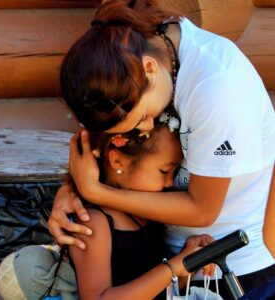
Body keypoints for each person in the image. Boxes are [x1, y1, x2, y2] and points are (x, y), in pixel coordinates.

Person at [48, 0, 275, 296]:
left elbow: (203, 209)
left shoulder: (217, 86)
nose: (143, 128)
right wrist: (71, 192)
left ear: (150, 68)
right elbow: (97, 146)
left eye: (142, 117)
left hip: (230, 263)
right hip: (164, 259)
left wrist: (95, 192)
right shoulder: (124, 65)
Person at [69, 124, 215, 299]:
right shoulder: (93, 222)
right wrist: (173, 267)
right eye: (164, 171)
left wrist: (190, 259)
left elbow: (158, 291)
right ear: (118, 161)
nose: (170, 183)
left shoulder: (147, 215)